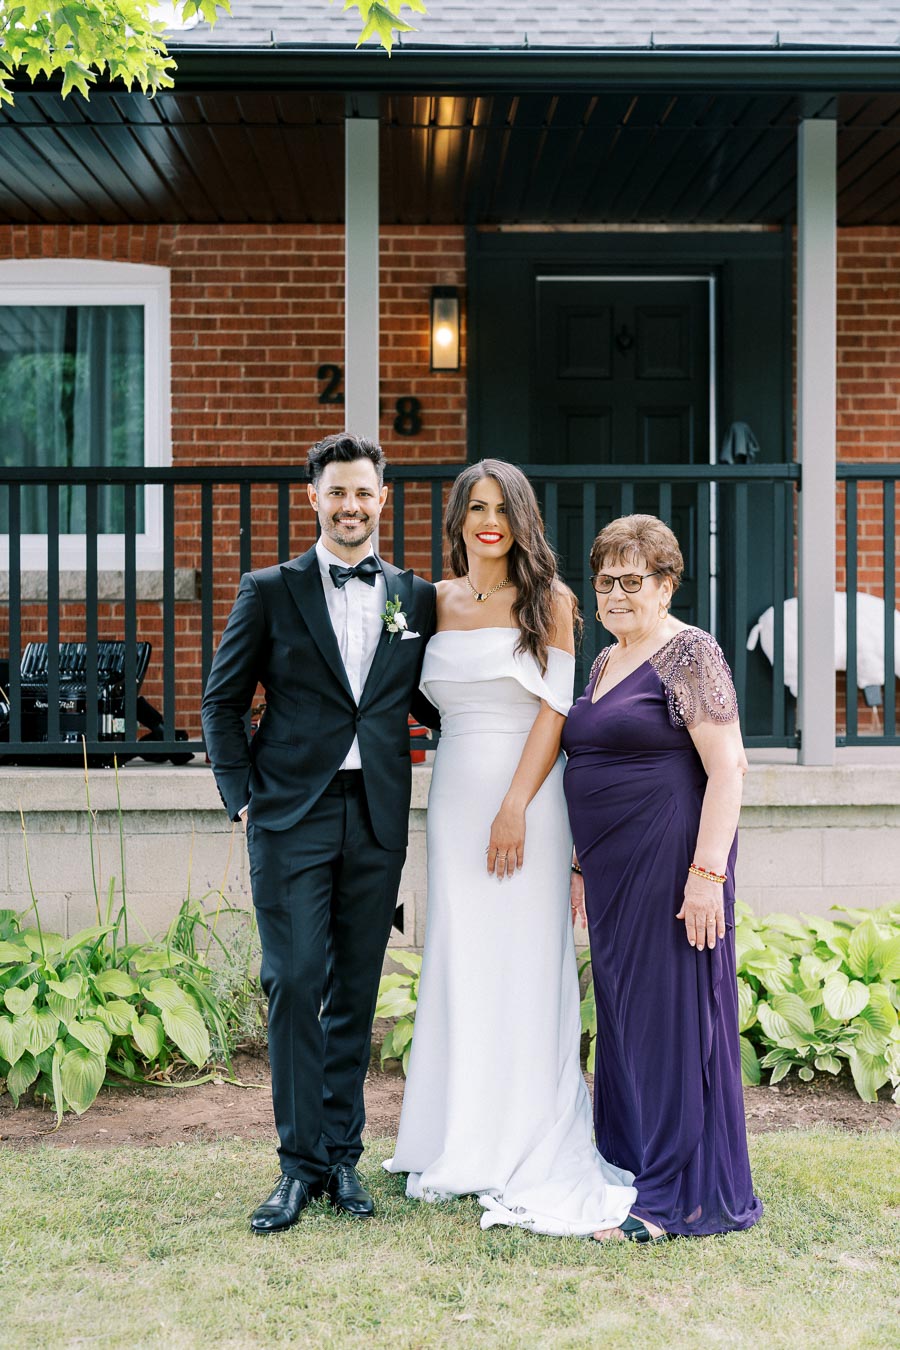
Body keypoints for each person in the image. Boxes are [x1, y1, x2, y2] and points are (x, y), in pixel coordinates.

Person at [385, 459, 637, 1236]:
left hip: (525, 796)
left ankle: (525, 1132)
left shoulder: (551, 601)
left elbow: (555, 712)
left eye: (502, 507)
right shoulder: (427, 602)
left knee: (526, 961)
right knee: (462, 959)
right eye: (476, 507)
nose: (488, 520)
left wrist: (516, 805)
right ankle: (455, 1134)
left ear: (519, 518)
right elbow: (408, 689)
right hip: (454, 790)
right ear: (458, 518)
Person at [201, 432, 437, 1234]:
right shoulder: (269, 589)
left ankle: (342, 1156)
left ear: (382, 499)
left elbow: (430, 699)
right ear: (314, 499)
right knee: (295, 980)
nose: (351, 506)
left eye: (364, 493)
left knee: (355, 992)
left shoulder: (414, 596)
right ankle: (296, 1166)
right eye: (337, 493)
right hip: (289, 813)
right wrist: (241, 798)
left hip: (375, 814)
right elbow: (221, 701)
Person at [562, 514, 763, 1242]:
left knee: (672, 1020)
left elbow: (729, 769)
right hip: (613, 873)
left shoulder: (690, 653)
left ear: (666, 584)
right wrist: (582, 863)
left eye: (633, 580)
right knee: (625, 1017)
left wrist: (707, 875)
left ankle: (675, 1198)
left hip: (673, 861)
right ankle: (633, 1161)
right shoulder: (606, 659)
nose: (617, 594)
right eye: (606, 580)